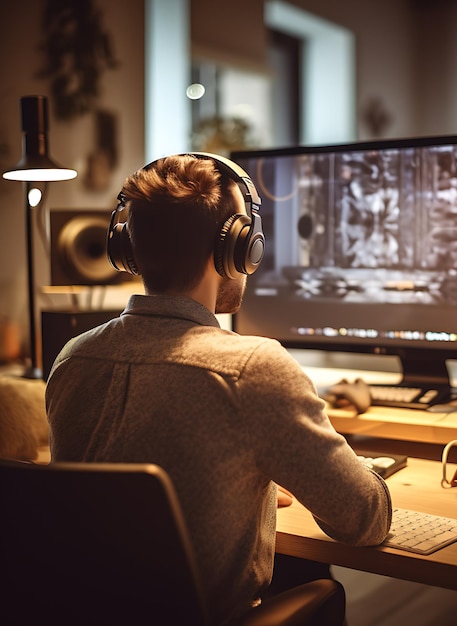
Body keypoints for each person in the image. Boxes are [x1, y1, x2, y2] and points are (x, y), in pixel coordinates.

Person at [45, 153, 392, 626]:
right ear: (236, 248)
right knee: (320, 581)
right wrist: (359, 471)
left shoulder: (72, 360)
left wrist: (252, 484)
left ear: (128, 247)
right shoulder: (254, 368)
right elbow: (363, 520)